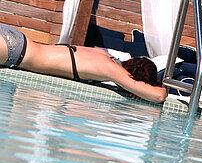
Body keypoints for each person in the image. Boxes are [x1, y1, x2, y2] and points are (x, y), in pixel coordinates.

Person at [0, 23, 167, 103]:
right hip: (15, 52)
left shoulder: (103, 54)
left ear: (131, 60)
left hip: (18, 39)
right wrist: (146, 88)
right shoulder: (111, 70)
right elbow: (158, 95)